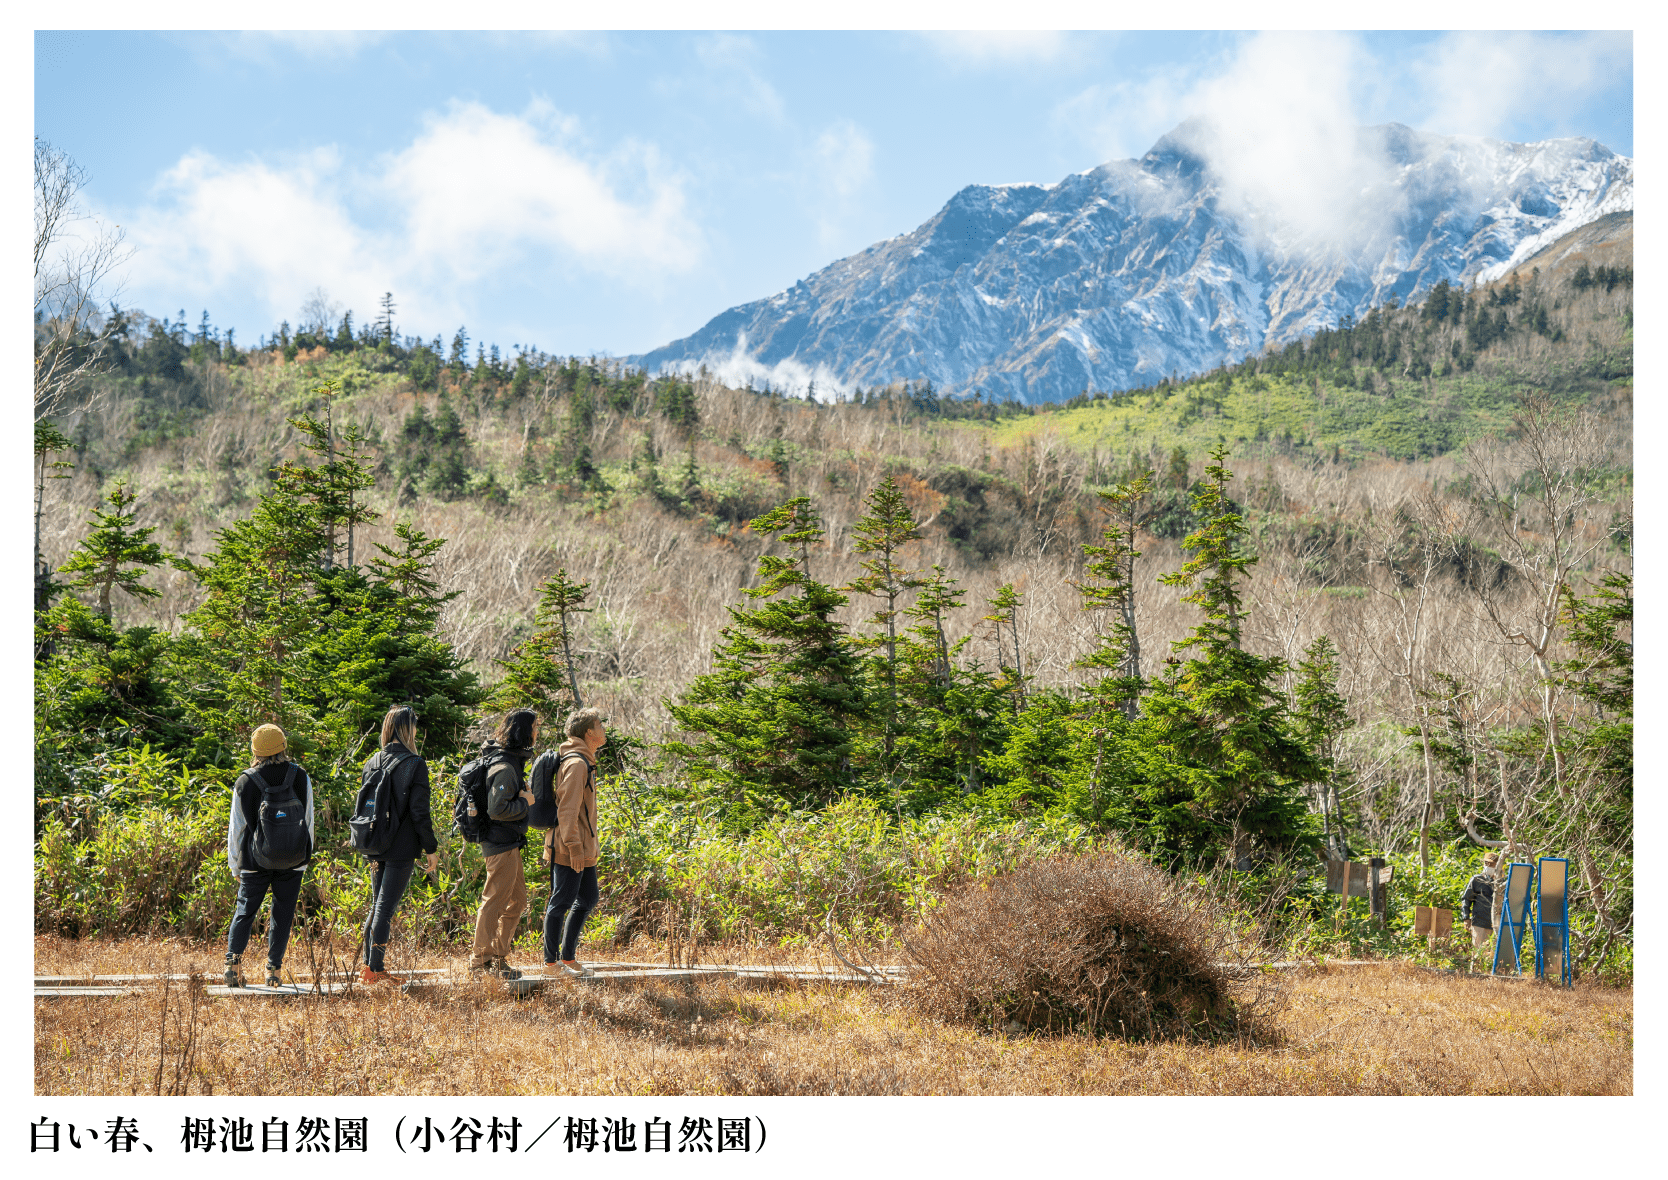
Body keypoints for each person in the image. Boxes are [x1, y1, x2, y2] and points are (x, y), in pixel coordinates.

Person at [225, 723, 316, 988]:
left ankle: (232, 965)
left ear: (255, 750)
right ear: (283, 746)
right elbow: (308, 819)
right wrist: (304, 857)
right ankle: (273, 972)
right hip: (293, 858)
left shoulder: (245, 781)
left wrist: (235, 865)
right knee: (283, 914)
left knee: (245, 910)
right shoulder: (300, 776)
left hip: (254, 859)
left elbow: (237, 828)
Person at [358, 705, 439, 985]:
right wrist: (431, 848)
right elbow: (419, 812)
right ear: (408, 729)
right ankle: (375, 969)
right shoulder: (415, 764)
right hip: (401, 847)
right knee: (384, 908)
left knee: (376, 905)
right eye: (414, 726)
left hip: (374, 842)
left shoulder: (372, 761)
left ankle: (369, 967)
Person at [468, 709, 538, 979]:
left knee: (517, 900)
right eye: (534, 727)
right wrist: (526, 802)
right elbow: (497, 809)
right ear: (524, 731)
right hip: (500, 844)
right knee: (494, 901)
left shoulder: (510, 762)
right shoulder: (505, 767)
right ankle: (480, 962)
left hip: (510, 842)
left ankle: (497, 958)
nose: (537, 732)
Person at [542, 708, 608, 976]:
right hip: (571, 847)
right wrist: (574, 847)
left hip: (583, 846)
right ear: (589, 733)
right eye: (600, 725)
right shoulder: (577, 764)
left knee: (588, 897)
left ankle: (568, 958)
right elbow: (566, 811)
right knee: (561, 901)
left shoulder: (585, 760)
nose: (604, 729)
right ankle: (550, 963)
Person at [1460, 851, 1499, 968]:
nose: (1489, 866)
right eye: (1487, 863)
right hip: (1479, 922)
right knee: (1478, 953)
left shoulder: (1501, 883)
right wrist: (1466, 918)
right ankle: (1475, 976)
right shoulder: (1477, 880)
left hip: (1495, 924)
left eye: (1492, 864)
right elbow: (1466, 899)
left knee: (1491, 955)